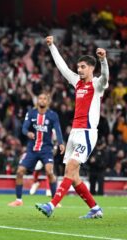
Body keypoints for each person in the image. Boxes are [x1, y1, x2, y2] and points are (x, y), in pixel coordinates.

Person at [36, 36, 109, 219]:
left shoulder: (97, 84)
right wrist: (52, 46)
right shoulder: (76, 81)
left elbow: (106, 77)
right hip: (74, 132)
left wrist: (103, 60)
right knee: (74, 175)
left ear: (92, 68)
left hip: (87, 133)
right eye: (78, 67)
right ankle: (95, 209)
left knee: (71, 169)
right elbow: (62, 67)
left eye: (83, 67)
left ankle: (51, 205)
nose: (79, 69)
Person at [8, 92, 65, 207]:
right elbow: (24, 128)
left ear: (48, 101)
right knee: (19, 171)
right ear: (37, 101)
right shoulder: (31, 113)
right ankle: (19, 200)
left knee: (49, 172)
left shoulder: (53, 115)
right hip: (32, 149)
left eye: (44, 98)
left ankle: (55, 201)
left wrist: (61, 143)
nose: (42, 100)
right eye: (40, 98)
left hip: (46, 149)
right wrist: (27, 133)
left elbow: (58, 130)